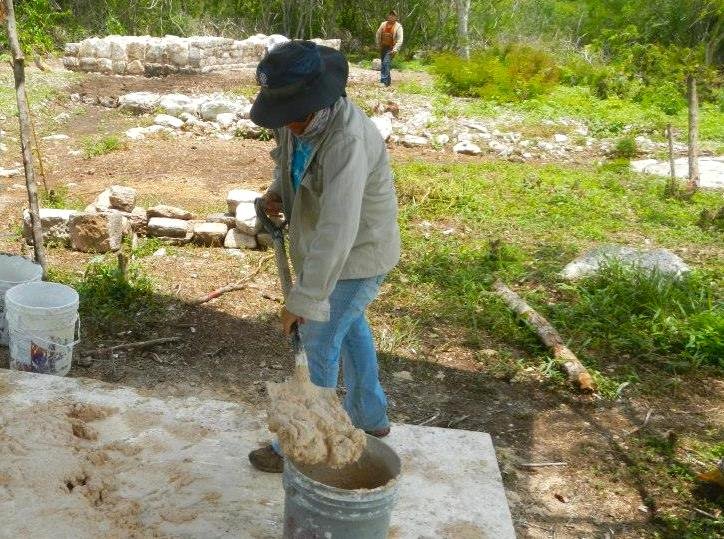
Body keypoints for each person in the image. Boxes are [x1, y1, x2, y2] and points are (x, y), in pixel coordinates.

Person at [247, 40, 401, 473]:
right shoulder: (294, 119)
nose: (290, 125)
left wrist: (302, 300)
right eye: (283, 116)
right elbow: (288, 161)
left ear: (322, 100)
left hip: (357, 254)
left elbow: (338, 227)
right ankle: (371, 418)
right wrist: (277, 191)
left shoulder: (348, 140)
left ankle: (301, 444)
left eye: (297, 116)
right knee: (349, 329)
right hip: (326, 247)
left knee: (318, 340)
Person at [375, 10, 404, 87]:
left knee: (385, 63)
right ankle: (388, 81)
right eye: (390, 15)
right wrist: (378, 44)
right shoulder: (383, 24)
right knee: (384, 64)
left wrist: (395, 49)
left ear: (396, 17)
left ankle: (383, 82)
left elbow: (400, 39)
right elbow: (378, 34)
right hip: (383, 47)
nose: (391, 16)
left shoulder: (398, 27)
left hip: (391, 49)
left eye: (393, 15)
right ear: (388, 16)